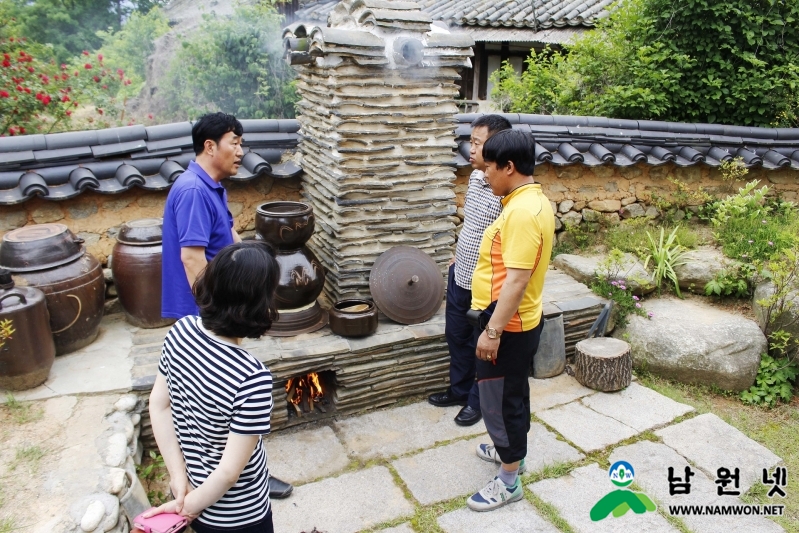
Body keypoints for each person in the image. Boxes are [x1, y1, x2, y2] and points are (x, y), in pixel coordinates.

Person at [160, 112, 293, 499]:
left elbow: (231, 238)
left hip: (221, 312)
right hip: (206, 313)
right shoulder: (193, 191)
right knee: (219, 401)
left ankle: (243, 469)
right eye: (234, 142)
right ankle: (224, 478)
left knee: (226, 399)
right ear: (209, 146)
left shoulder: (212, 185)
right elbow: (192, 258)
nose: (240, 151)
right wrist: (217, 311)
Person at [147, 241, 280, 532]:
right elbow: (230, 473)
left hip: (193, 495)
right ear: (261, 303)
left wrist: (178, 480)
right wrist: (188, 508)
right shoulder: (252, 377)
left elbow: (158, 405)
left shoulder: (180, 331)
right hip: (240, 514)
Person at [465, 129, 554, 512]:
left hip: (508, 324)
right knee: (512, 395)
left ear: (510, 167)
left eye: (489, 169)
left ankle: (508, 479)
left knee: (499, 403)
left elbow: (516, 280)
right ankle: (510, 452)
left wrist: (492, 331)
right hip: (518, 320)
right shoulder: (532, 200)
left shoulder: (520, 212)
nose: (485, 176)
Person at [428, 115, 511, 426]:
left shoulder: (506, 191)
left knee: (482, 346)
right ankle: (460, 390)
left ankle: (478, 402)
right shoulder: (477, 178)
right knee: (456, 335)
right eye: (471, 141)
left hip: (486, 285)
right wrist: (458, 253)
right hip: (460, 274)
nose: (470, 149)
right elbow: (475, 225)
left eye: (478, 143)